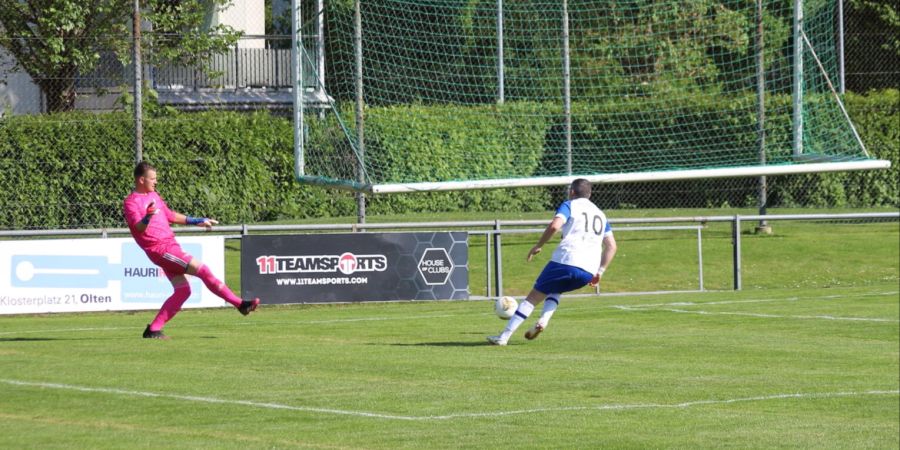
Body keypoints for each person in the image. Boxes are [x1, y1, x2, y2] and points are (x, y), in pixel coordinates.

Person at [123, 161, 259, 339]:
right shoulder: (131, 202)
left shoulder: (153, 195)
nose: (156, 182)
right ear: (141, 180)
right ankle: (240, 304)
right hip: (160, 249)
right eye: (153, 179)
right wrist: (148, 217)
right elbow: (139, 228)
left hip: (170, 246)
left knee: (183, 290)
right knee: (202, 269)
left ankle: (153, 329)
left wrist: (196, 221)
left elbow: (170, 215)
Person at [488, 178, 616, 345]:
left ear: (572, 192)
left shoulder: (570, 205)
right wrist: (600, 272)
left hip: (567, 259)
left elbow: (555, 226)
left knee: (533, 298)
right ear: (590, 194)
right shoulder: (601, 214)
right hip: (588, 270)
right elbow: (612, 246)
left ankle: (503, 337)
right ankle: (543, 320)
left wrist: (538, 245)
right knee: (555, 289)